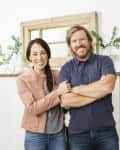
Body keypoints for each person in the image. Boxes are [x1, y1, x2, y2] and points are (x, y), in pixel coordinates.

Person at [58, 25, 119, 150]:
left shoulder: (105, 61)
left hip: (106, 132)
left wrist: (75, 89)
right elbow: (65, 101)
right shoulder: (66, 68)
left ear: (89, 41)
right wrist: (98, 91)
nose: (79, 44)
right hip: (77, 135)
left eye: (82, 39)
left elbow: (107, 87)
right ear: (70, 46)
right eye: (74, 41)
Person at [16, 38, 69, 150]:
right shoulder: (22, 79)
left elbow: (66, 102)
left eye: (43, 53)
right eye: (34, 54)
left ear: (48, 55)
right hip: (35, 136)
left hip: (58, 134)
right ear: (29, 57)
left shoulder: (58, 75)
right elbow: (33, 109)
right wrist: (58, 92)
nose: (39, 58)